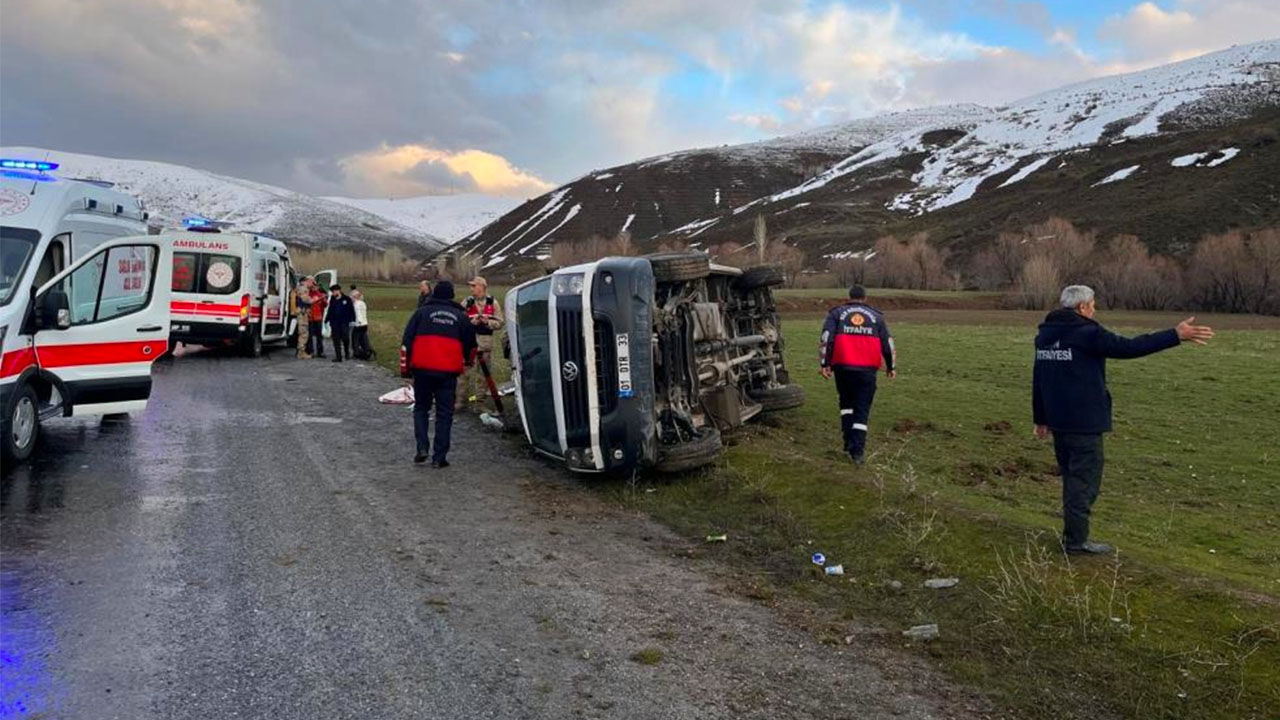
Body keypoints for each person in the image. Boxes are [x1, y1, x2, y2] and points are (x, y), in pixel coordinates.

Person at [1033, 285, 1213, 555]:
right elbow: (1129, 348)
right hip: (1084, 423)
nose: (1094, 309)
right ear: (1082, 307)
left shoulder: (1045, 335)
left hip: (1059, 421)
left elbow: (1039, 378)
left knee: (1073, 480)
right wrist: (1175, 335)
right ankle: (1076, 541)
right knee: (1083, 484)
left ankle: (1074, 535)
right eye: (1093, 304)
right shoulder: (1087, 333)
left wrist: (1041, 418)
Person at [401, 281, 476, 468]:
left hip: (422, 370)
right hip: (447, 373)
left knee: (421, 408)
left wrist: (405, 369)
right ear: (451, 295)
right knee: (444, 414)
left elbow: (406, 341)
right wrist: (467, 361)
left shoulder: (420, 313)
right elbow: (471, 345)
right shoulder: (460, 316)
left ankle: (422, 447)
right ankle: (439, 457)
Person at [819, 285, 896, 465]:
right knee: (862, 409)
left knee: (846, 404)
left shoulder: (836, 314)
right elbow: (888, 344)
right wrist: (891, 366)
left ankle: (847, 442)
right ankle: (858, 452)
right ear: (865, 298)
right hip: (867, 370)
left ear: (849, 296)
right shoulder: (877, 317)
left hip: (843, 368)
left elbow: (826, 338)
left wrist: (825, 364)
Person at [459, 276, 504, 410]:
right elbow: (459, 320)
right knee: (463, 373)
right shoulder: (466, 302)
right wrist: (472, 322)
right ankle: (460, 401)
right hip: (468, 344)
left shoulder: (493, 303)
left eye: (474, 286)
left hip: (485, 344)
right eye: (471, 286)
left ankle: (480, 403)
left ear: (482, 287)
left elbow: (500, 322)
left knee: (483, 375)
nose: (471, 289)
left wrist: (487, 322)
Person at [326, 284, 356, 362]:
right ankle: (338, 357)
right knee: (336, 340)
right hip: (334, 322)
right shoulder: (332, 299)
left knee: (345, 339)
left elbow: (351, 310)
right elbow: (330, 309)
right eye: (332, 292)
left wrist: (353, 320)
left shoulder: (347, 299)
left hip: (344, 322)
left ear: (338, 291)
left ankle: (347, 353)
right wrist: (327, 319)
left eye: (334, 291)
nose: (333, 293)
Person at [294, 276, 313, 359]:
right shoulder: (303, 289)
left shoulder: (300, 288)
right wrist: (313, 299)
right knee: (303, 333)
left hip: (302, 312)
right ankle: (301, 353)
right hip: (302, 313)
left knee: (303, 333)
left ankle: (301, 351)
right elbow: (306, 299)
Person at [307, 280, 328, 358]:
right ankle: (310, 351)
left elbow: (325, 305)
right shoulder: (308, 294)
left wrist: (324, 299)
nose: (314, 288)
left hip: (318, 317)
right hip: (310, 318)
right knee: (310, 336)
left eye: (315, 286)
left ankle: (320, 352)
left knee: (319, 336)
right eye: (312, 287)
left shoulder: (320, 294)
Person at [351, 290, 372, 360]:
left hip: (359, 324)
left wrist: (358, 323)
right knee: (364, 339)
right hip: (365, 323)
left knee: (355, 339)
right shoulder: (363, 303)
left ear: (354, 297)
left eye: (352, 297)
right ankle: (367, 351)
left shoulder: (356, 304)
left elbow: (358, 314)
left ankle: (356, 353)